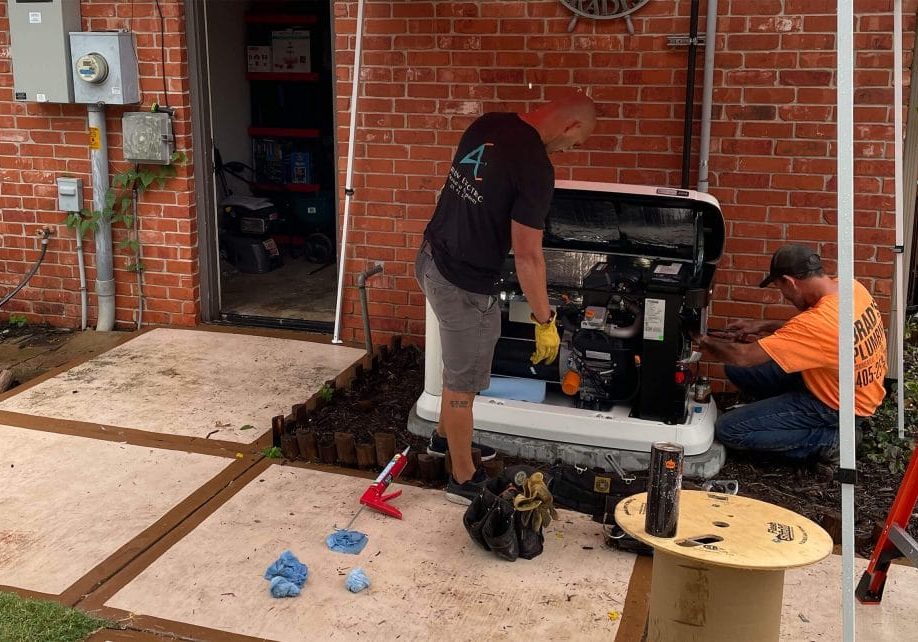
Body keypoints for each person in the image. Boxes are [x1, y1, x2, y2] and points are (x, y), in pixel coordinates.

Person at [414, 94, 597, 504]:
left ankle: (445, 441)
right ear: (569, 127)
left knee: (460, 365)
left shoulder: (488, 124)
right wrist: (545, 319)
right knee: (463, 383)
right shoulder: (535, 167)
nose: (571, 150)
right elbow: (528, 256)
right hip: (464, 284)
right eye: (577, 143)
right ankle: (463, 480)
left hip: (429, 258)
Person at [697, 243, 888, 465]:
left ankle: (833, 440)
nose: (785, 295)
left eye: (781, 288)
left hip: (837, 406)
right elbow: (816, 333)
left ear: (790, 282)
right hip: (848, 387)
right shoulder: (852, 288)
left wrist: (703, 340)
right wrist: (763, 326)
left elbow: (743, 356)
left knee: (729, 429)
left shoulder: (817, 323)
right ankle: (779, 416)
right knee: (738, 370)